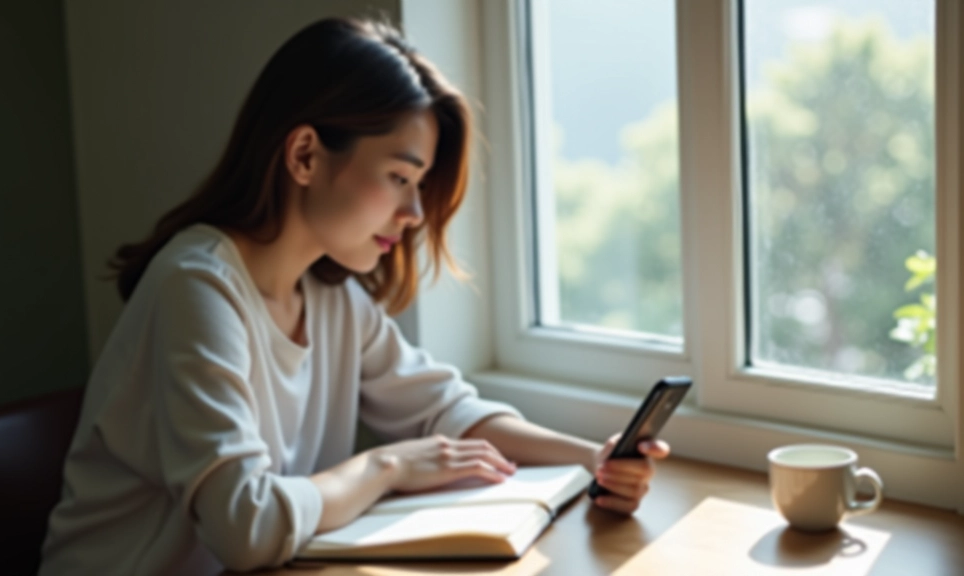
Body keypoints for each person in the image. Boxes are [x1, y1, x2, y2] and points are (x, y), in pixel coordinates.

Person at [38, 17, 670, 576]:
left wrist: (594, 458)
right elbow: (244, 528)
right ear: (306, 154)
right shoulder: (196, 288)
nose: (416, 212)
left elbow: (447, 414)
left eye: (419, 184)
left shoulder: (331, 294)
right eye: (399, 177)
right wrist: (387, 467)